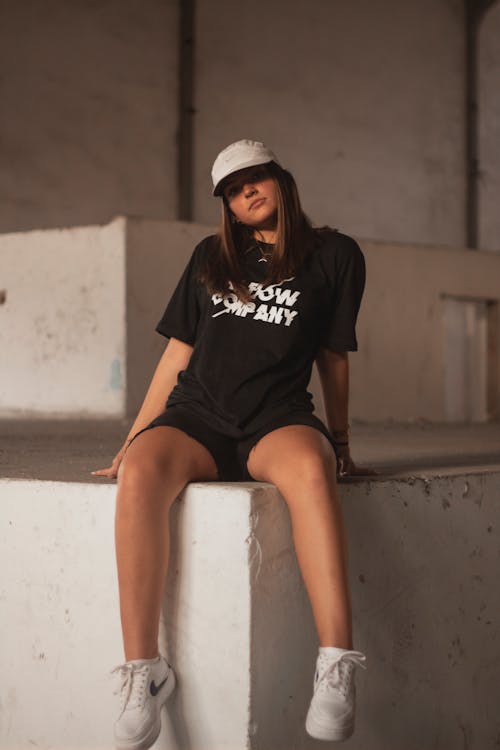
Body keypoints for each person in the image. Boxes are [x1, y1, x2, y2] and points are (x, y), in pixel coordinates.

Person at [92, 139, 372, 749]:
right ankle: (145, 671)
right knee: (139, 471)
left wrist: (341, 438)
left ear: (278, 178)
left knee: (309, 468)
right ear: (227, 205)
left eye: (254, 178)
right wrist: (135, 436)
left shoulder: (336, 255)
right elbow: (178, 352)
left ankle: (335, 662)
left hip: (278, 416)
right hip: (199, 415)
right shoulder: (211, 255)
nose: (246, 192)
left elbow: (333, 354)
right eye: (231, 189)